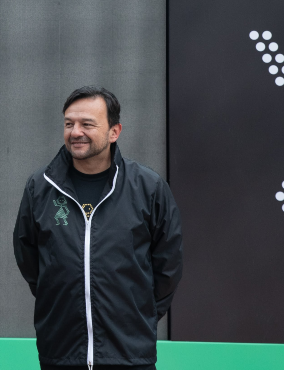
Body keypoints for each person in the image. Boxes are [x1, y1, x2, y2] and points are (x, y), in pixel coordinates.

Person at [13, 87, 182, 370]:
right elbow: (29, 259)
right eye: (69, 124)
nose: (75, 132)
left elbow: (168, 265)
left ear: (114, 131)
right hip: (61, 353)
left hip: (129, 354)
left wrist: (140, 312)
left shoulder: (148, 187)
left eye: (87, 124)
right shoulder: (40, 187)